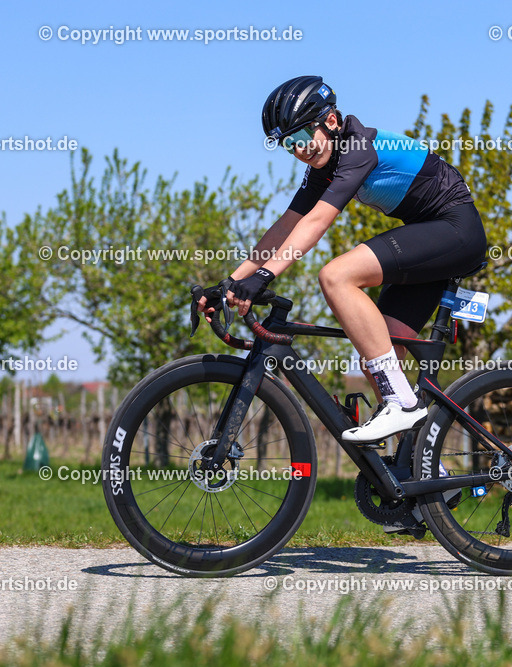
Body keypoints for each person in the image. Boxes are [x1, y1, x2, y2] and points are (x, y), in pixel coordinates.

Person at [202, 75, 487, 443]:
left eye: (302, 138)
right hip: (428, 238)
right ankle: (428, 479)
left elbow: (317, 220)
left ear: (331, 122)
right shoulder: (325, 161)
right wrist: (234, 281)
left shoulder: (357, 147)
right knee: (378, 361)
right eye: (289, 145)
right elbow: (285, 226)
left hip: (455, 229)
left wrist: (267, 276)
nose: (299, 151)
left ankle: (403, 405)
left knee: (337, 276)